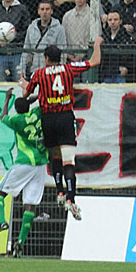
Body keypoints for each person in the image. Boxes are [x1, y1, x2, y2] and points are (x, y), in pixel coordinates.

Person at [20, 38, 104, 220]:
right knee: (69, 161)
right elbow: (95, 61)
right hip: (65, 116)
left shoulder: (39, 74)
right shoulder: (69, 68)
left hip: (48, 119)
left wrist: (23, 85)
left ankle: (59, 192)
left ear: (47, 58)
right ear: (60, 58)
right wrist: (97, 43)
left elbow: (26, 95)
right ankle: (71, 199)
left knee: (55, 156)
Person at [0, 88, 48, 259]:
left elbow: (3, 116)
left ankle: (1, 222)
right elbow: (43, 98)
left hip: (23, 163)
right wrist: (30, 97)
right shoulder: (38, 113)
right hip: (40, 164)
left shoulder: (16, 120)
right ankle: (20, 241)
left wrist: (7, 99)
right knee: (30, 205)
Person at [20, 1, 67, 78]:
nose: (45, 12)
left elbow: (62, 50)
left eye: (47, 9)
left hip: (51, 71)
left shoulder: (59, 28)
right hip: (35, 69)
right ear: (38, 11)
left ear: (51, 11)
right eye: (42, 9)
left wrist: (61, 70)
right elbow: (26, 49)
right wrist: (22, 69)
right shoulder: (31, 28)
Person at [62, 0, 95, 82]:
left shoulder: (93, 16)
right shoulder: (67, 16)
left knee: (87, 86)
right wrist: (69, 55)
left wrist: (81, 56)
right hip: (70, 58)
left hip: (87, 58)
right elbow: (63, 38)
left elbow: (95, 38)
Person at [100, 10, 135, 83]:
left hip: (121, 75)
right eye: (110, 20)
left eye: (115, 19)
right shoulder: (104, 36)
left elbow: (130, 58)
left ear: (120, 21)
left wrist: (126, 68)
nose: (112, 22)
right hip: (107, 74)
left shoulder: (127, 38)